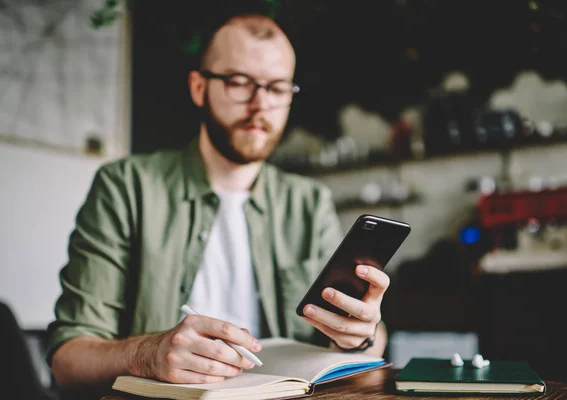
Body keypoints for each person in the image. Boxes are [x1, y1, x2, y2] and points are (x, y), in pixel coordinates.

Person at [46, 12, 389, 398]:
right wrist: (148, 354)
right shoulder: (126, 186)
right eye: (239, 82)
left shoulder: (309, 202)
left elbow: (365, 346)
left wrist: (361, 335)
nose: (260, 105)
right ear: (198, 87)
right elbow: (67, 362)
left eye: (277, 89)